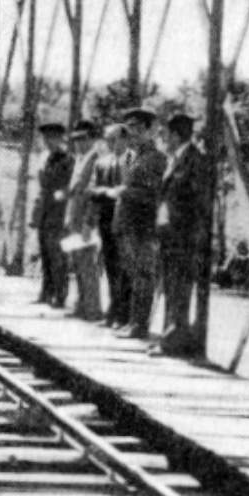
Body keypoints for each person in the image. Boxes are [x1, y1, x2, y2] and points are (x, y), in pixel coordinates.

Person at [150, 112, 209, 358]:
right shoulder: (176, 159)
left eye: (167, 134)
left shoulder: (195, 160)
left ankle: (174, 341)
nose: (164, 139)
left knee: (179, 289)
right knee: (172, 288)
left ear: (175, 135)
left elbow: (197, 201)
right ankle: (169, 338)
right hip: (170, 235)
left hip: (184, 237)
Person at [106, 108, 167, 340]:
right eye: (130, 128)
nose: (133, 133)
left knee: (143, 274)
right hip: (125, 224)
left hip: (143, 225)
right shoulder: (131, 157)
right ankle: (132, 321)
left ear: (151, 130)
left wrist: (127, 192)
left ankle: (139, 325)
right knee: (132, 274)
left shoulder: (156, 158)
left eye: (139, 128)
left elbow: (155, 195)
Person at [91, 124, 132, 328]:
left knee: (126, 269)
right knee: (110, 268)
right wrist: (106, 193)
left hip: (126, 223)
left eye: (113, 139)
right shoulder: (101, 163)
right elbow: (95, 190)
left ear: (125, 139)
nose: (110, 144)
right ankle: (112, 311)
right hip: (106, 223)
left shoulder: (133, 160)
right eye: (107, 140)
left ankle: (124, 315)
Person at [64, 120, 104, 320]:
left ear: (93, 138)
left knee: (88, 264)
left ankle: (92, 308)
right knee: (78, 264)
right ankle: (82, 304)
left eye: (83, 139)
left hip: (85, 221)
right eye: (76, 139)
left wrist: (90, 222)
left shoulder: (96, 159)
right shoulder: (80, 159)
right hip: (74, 219)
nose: (79, 143)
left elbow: (93, 194)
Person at [31, 122, 74, 307]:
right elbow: (40, 186)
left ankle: (60, 294)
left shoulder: (67, 160)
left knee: (57, 254)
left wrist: (61, 198)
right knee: (45, 253)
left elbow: (69, 187)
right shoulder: (44, 158)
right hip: (44, 211)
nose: (48, 142)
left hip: (59, 211)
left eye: (52, 138)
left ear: (60, 139)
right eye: (46, 138)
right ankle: (46, 292)